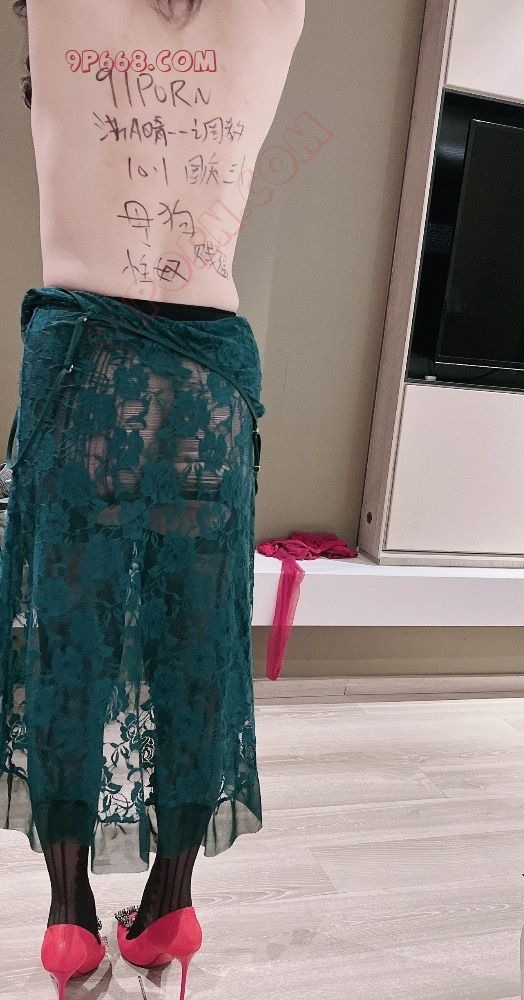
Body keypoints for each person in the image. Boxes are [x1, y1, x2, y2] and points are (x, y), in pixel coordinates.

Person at [0, 1, 304, 997]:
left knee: (68, 639)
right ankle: (169, 904)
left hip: (79, 359)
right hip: (209, 374)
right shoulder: (272, 11)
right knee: (195, 641)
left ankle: (68, 919)